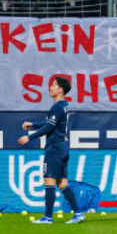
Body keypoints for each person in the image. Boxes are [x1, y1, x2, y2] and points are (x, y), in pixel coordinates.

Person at [18, 76, 84, 224]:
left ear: (61, 89)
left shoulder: (57, 106)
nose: (50, 87)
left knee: (49, 180)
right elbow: (50, 123)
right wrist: (33, 124)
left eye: (53, 85)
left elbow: (49, 127)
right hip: (63, 147)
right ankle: (78, 213)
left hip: (54, 148)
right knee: (62, 184)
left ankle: (47, 217)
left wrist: (29, 137)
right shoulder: (64, 105)